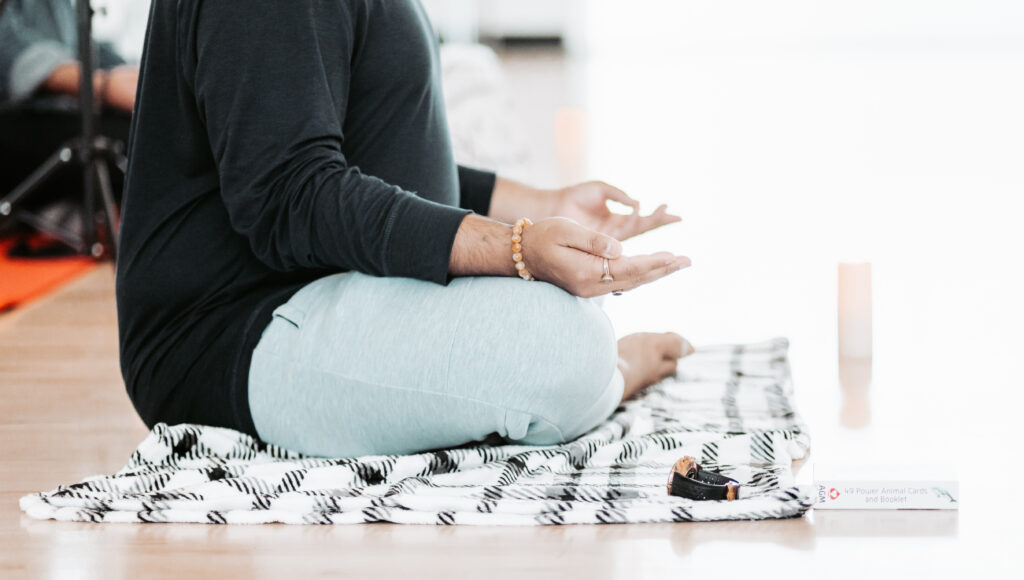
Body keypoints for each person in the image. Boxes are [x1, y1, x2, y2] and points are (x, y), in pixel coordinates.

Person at [117, 0, 694, 458]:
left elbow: (378, 157)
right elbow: (289, 197)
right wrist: (516, 249)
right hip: (230, 341)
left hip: (323, 287)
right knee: (566, 344)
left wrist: (541, 206)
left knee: (548, 326)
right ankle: (607, 377)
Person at [0, 0, 139, 234]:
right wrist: (105, 85)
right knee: (141, 141)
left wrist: (131, 72)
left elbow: (83, 44)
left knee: (149, 126)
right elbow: (10, 47)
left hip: (52, 112)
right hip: (11, 119)